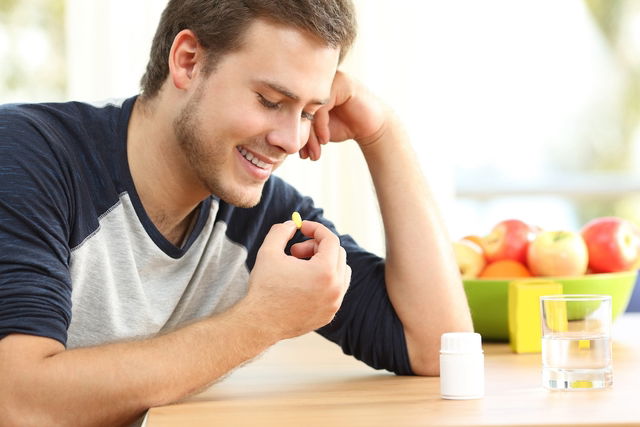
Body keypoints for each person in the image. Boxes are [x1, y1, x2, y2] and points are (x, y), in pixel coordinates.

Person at [0, 0, 473, 425]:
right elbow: (19, 400)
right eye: (271, 101)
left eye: (309, 111)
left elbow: (439, 350)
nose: (291, 140)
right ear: (188, 61)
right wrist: (262, 321)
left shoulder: (257, 211)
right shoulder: (26, 158)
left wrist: (383, 135)